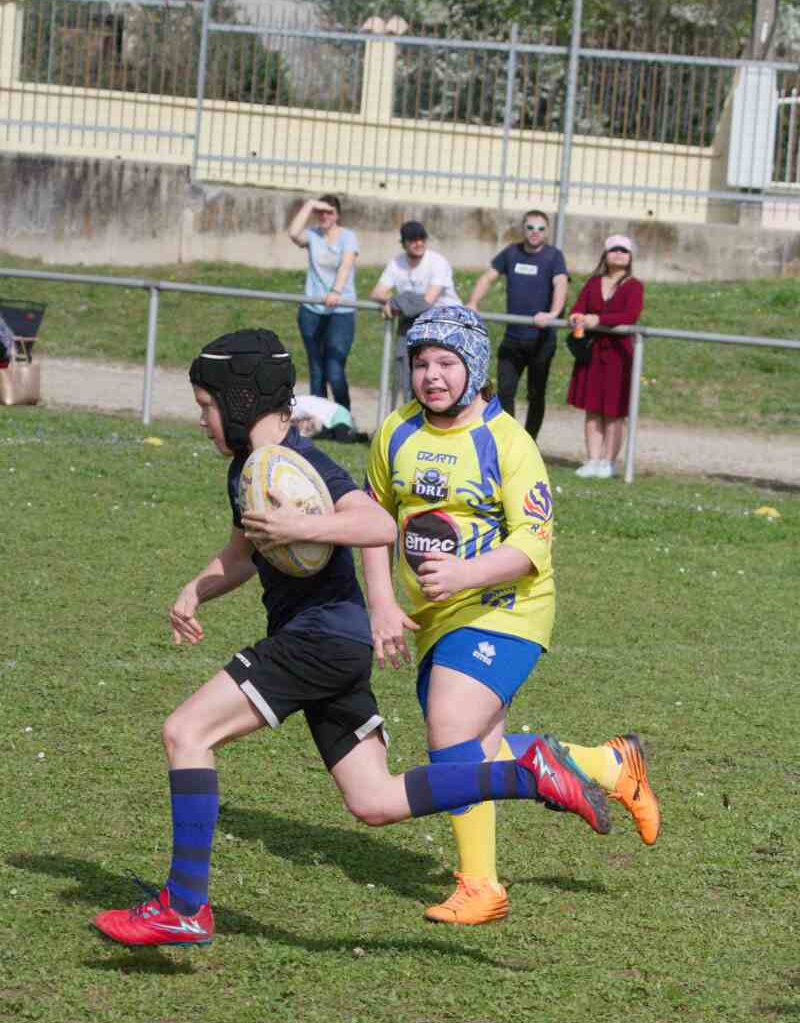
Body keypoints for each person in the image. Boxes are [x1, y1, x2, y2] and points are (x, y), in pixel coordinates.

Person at [92, 327, 656, 948]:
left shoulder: (302, 463)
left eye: (206, 406)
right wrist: (196, 589)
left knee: (186, 732)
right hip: (335, 646)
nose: (201, 420)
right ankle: (528, 771)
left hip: (318, 639)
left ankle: (184, 905)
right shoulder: (252, 469)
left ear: (239, 401)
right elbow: (244, 551)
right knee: (375, 801)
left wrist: (307, 526)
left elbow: (376, 523)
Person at [363, 305, 660, 926]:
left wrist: (464, 574)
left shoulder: (507, 442)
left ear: (474, 368)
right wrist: (383, 601)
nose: (432, 376)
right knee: (479, 752)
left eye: (447, 363)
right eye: (421, 363)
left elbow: (532, 544)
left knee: (450, 728)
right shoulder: (395, 430)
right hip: (437, 615)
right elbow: (372, 518)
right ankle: (610, 765)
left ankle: (481, 887)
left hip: (509, 607)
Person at [466, 209, 567, 440]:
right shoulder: (511, 252)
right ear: (523, 229)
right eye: (530, 227)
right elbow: (488, 277)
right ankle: (509, 441)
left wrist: (553, 313)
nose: (535, 232)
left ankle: (529, 442)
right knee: (505, 392)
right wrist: (472, 302)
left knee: (536, 394)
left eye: (540, 228)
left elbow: (560, 283)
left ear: (547, 232)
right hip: (513, 338)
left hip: (541, 340)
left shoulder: (554, 256)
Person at [567, 235, 644, 479]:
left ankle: (608, 462)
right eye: (614, 249)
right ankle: (592, 459)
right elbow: (579, 306)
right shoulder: (593, 283)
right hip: (592, 353)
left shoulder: (634, 286)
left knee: (614, 412)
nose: (618, 254)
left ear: (630, 257)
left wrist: (598, 320)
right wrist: (576, 316)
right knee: (592, 409)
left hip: (619, 355)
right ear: (605, 255)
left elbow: (630, 315)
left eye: (624, 250)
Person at [370, 221, 461, 401]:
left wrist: (395, 302)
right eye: (413, 240)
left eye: (422, 239)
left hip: (444, 324)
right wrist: (393, 301)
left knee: (437, 379)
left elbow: (427, 302)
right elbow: (376, 293)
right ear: (403, 243)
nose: (419, 243)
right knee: (408, 376)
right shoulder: (396, 262)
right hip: (412, 324)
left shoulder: (438, 262)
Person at [288, 194, 358, 410]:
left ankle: (344, 420)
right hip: (311, 311)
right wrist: (310, 205)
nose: (325, 216)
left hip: (341, 311)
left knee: (334, 371)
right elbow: (293, 233)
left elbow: (346, 265)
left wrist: (336, 291)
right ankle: (319, 420)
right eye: (321, 212)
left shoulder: (348, 237)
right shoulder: (313, 235)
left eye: (330, 212)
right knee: (317, 370)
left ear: (338, 215)